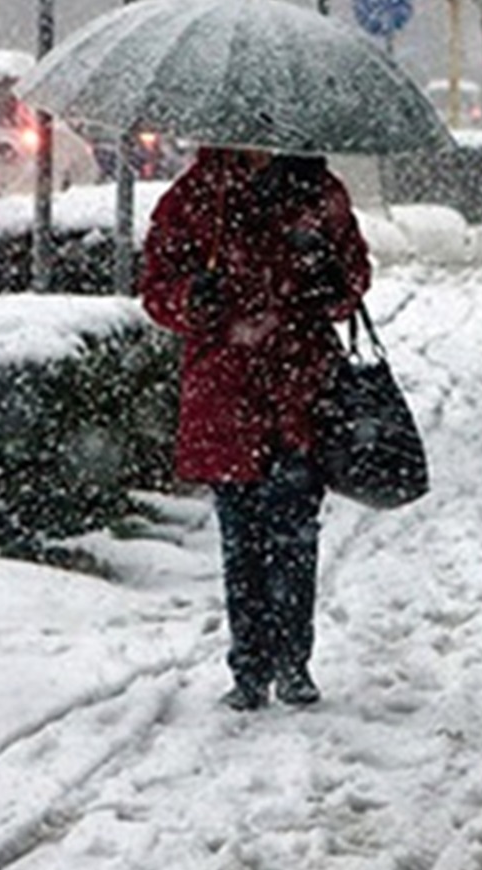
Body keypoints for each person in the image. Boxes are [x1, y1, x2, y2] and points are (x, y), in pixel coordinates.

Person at [140, 147, 371, 711]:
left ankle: (293, 662)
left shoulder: (318, 193)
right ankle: (249, 668)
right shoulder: (198, 195)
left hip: (300, 391)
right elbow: (156, 287)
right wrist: (193, 298)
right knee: (242, 542)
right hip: (226, 396)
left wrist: (325, 273)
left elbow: (354, 280)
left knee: (293, 533)